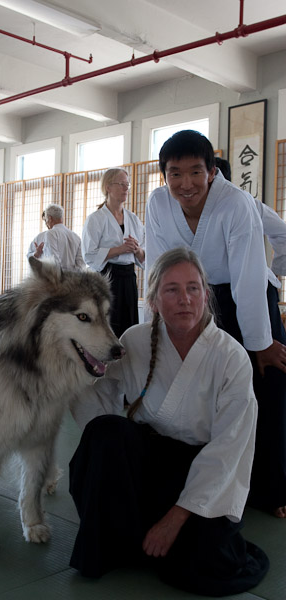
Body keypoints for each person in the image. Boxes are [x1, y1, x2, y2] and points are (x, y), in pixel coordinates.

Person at [69, 248, 269, 596]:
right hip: (146, 462)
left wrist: (176, 518)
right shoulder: (134, 340)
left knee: (208, 564)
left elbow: (228, 450)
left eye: (193, 288)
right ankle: (124, 535)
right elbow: (91, 387)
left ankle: (148, 533)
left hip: (201, 474)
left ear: (205, 295)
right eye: (172, 289)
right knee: (106, 432)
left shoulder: (231, 358)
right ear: (154, 300)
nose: (184, 299)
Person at [145, 130, 286, 518]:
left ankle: (271, 488)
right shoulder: (158, 203)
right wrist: (155, 320)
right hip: (193, 298)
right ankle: (207, 484)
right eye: (175, 174)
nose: (186, 184)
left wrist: (260, 343)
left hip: (246, 298)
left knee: (265, 386)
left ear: (211, 171)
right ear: (164, 175)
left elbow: (248, 276)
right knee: (203, 389)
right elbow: (157, 264)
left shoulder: (235, 203)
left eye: (195, 172)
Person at [82, 168, 145, 338]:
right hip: (107, 278)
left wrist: (137, 249)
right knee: (108, 323)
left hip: (129, 277)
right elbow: (89, 254)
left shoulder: (133, 219)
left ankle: (129, 354)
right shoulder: (96, 219)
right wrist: (119, 249)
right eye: (121, 184)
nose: (126, 188)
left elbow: (145, 255)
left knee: (129, 323)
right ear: (108, 187)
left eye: (127, 185)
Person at [215, 156, 286, 277]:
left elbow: (282, 232)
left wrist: (276, 272)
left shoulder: (248, 204)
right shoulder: (187, 207)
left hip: (251, 277)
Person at [27, 204, 85, 271]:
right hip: (72, 276)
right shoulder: (76, 237)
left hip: (53, 276)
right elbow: (81, 264)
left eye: (46, 220)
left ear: (50, 218)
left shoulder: (48, 234)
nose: (46, 223)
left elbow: (53, 262)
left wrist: (36, 254)